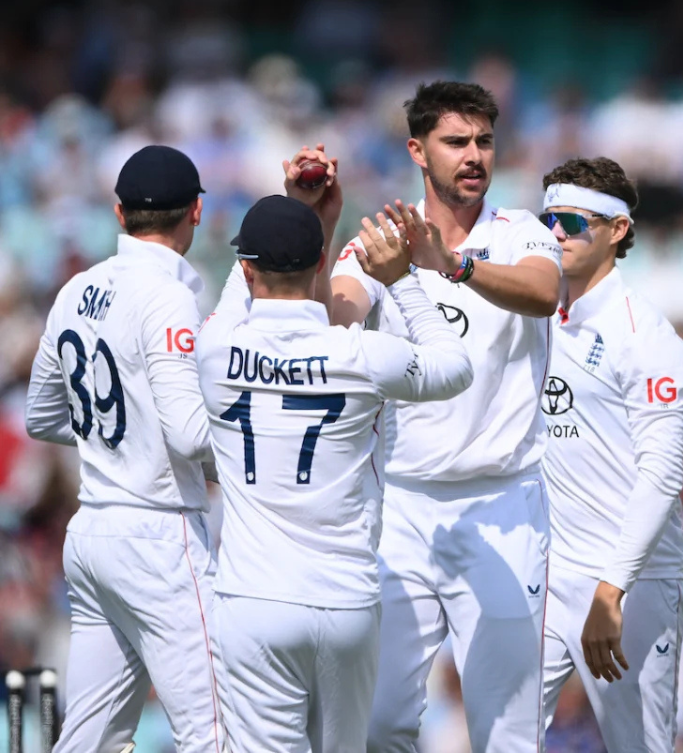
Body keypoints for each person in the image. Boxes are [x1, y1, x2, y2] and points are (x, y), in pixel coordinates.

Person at [327, 81, 562, 752]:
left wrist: (451, 264)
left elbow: (545, 294)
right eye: (456, 142)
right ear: (417, 150)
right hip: (400, 509)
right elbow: (338, 314)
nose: (474, 156)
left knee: (507, 734)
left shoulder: (520, 231)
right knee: (377, 725)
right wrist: (320, 226)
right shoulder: (379, 241)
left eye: (484, 141)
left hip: (503, 506)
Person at [196, 181, 473, 751]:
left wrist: (295, 207)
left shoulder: (215, 348)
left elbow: (240, 286)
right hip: (346, 599)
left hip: (254, 602)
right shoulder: (359, 354)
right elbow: (455, 367)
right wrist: (402, 280)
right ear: (323, 261)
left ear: (248, 272)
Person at [24, 146, 223, 752]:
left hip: (93, 538)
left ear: (119, 213)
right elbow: (190, 436)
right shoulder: (169, 296)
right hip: (159, 539)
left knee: (89, 738)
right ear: (194, 212)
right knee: (218, 730)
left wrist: (116, 433)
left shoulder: (74, 290)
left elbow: (41, 415)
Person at [537, 157, 683, 752]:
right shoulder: (537, 318)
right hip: (548, 574)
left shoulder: (645, 336)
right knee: (504, 734)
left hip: (630, 581)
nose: (557, 234)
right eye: (550, 219)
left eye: (574, 222)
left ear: (618, 230)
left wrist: (613, 587)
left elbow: (662, 475)